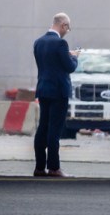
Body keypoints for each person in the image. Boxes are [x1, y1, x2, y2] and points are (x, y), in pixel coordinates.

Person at [33, 13, 79, 178]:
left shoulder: (38, 42)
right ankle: (54, 167)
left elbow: (49, 65)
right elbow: (69, 67)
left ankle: (39, 167)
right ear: (64, 25)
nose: (67, 31)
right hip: (59, 91)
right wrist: (74, 57)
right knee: (54, 130)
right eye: (68, 28)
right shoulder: (61, 43)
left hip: (43, 89)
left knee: (42, 128)